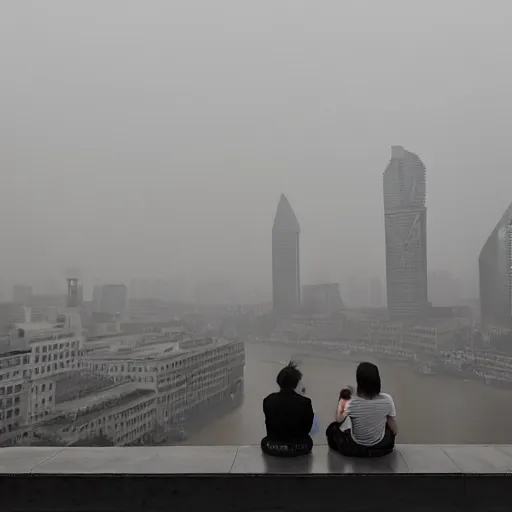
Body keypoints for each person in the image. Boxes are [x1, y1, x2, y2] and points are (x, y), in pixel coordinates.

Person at [326, 362, 398, 457]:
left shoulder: (351, 401)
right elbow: (395, 430)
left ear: (359, 381)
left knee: (332, 429)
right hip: (381, 447)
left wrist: (343, 399)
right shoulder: (387, 399)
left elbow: (339, 419)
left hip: (355, 449)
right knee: (388, 422)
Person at [261, 361, 314, 457]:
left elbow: (269, 425)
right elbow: (307, 428)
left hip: (273, 447)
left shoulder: (268, 400)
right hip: (299, 447)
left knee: (265, 440)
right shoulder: (305, 402)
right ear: (296, 383)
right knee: (308, 440)